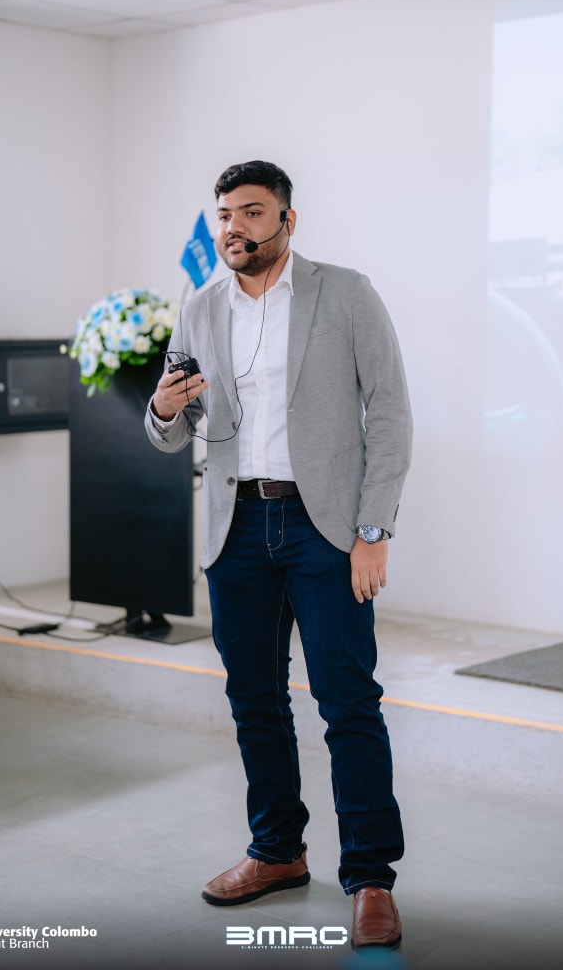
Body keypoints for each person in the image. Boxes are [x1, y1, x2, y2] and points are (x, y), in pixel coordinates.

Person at [145, 161, 412, 951]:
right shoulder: (200, 308)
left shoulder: (347, 294)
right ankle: (277, 851)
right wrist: (162, 407)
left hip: (324, 528)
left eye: (252, 212)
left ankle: (370, 877)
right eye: (226, 214)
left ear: (288, 221)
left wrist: (373, 529)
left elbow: (390, 413)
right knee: (255, 700)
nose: (235, 226)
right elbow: (170, 431)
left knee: (347, 702)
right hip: (237, 529)